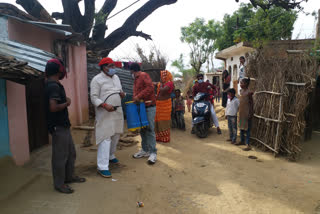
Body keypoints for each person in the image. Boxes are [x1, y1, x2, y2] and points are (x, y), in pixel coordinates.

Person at [44, 59, 85, 194]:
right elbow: (53, 107)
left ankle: (69, 177)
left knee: (71, 153)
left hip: (63, 125)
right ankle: (59, 184)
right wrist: (67, 103)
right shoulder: (53, 86)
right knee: (60, 156)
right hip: (58, 126)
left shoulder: (54, 84)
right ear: (58, 70)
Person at [90, 57, 125, 178]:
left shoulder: (116, 78)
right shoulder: (97, 80)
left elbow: (120, 91)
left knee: (116, 134)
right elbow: (93, 97)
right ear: (104, 67)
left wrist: (122, 94)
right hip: (104, 112)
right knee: (105, 137)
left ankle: (111, 156)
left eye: (113, 66)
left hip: (117, 110)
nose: (113, 68)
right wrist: (104, 105)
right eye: (111, 66)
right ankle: (102, 166)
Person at [130, 63, 158, 164]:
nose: (131, 74)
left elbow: (150, 87)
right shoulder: (136, 79)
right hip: (141, 107)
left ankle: (153, 152)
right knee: (142, 129)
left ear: (133, 71)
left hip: (149, 107)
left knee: (150, 129)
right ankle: (145, 150)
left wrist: (138, 96)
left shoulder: (143, 75)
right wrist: (135, 98)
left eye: (131, 72)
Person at [154, 70, 175, 143]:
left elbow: (163, 90)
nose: (161, 78)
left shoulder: (170, 83)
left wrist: (160, 84)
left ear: (165, 77)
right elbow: (156, 83)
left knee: (164, 121)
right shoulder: (162, 83)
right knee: (158, 121)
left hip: (165, 106)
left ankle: (164, 138)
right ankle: (158, 137)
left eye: (162, 76)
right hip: (159, 105)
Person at [235, 78, 254, 151]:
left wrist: (251, 113)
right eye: (240, 83)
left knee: (248, 129)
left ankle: (247, 144)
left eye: (242, 83)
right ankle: (242, 140)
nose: (240, 84)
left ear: (246, 84)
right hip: (241, 112)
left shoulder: (249, 93)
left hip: (247, 113)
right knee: (241, 127)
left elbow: (251, 104)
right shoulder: (241, 91)